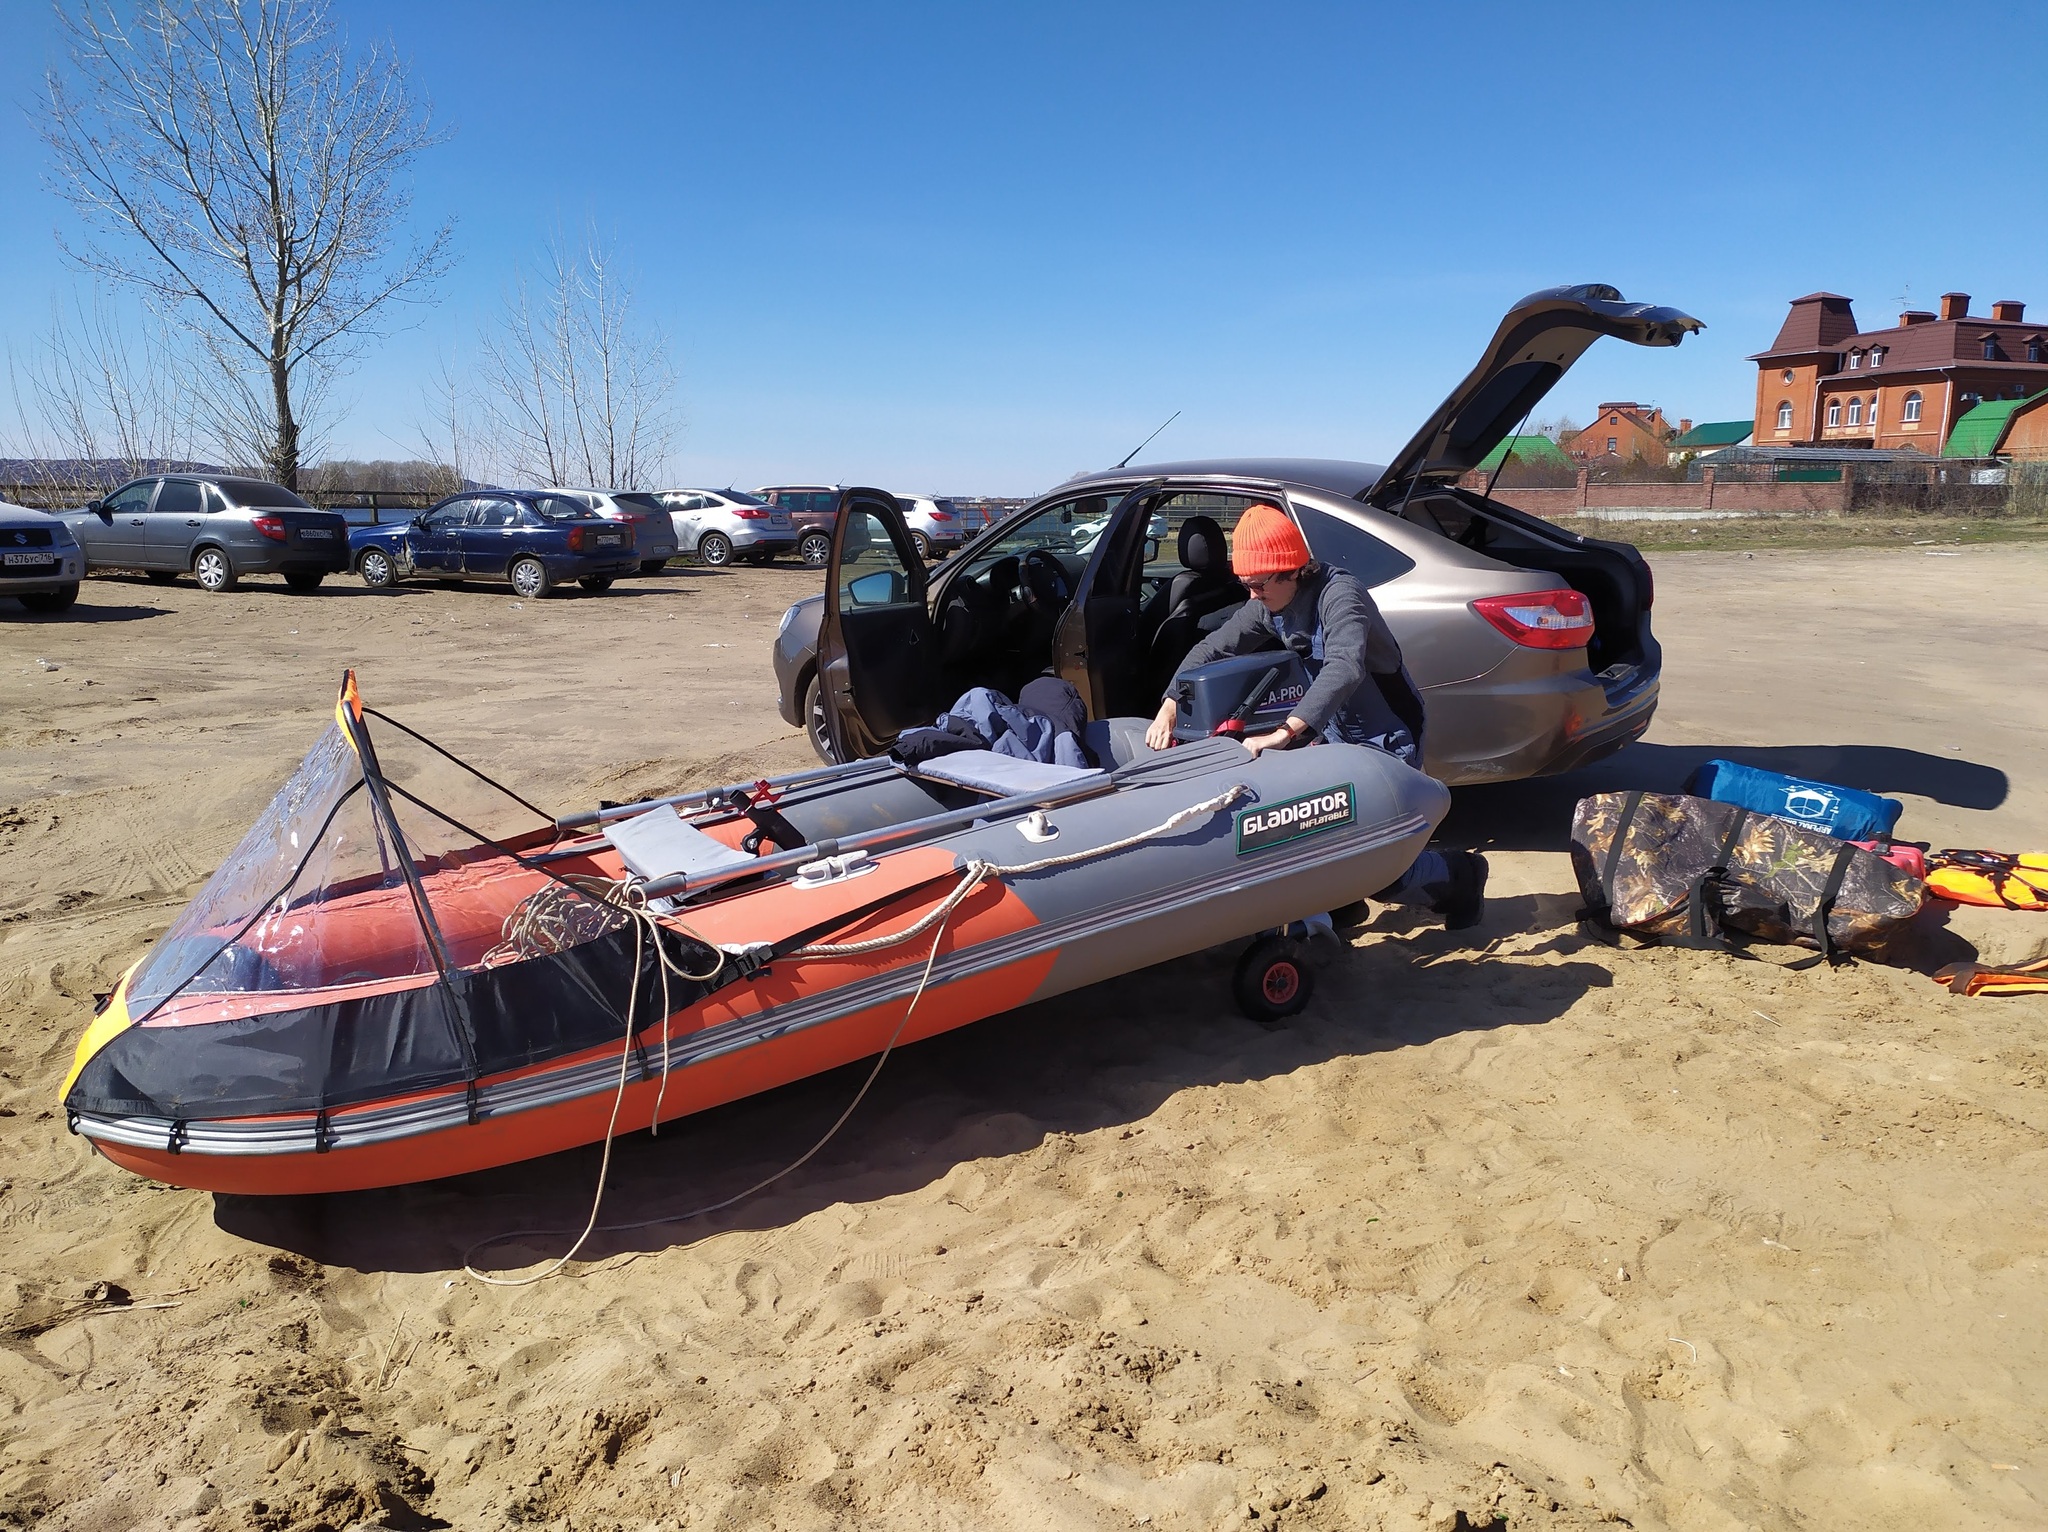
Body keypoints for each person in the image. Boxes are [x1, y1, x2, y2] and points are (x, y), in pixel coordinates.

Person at [1144, 503, 1488, 929]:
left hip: (1386, 731)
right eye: (1245, 584)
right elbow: (1214, 648)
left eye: (1258, 584)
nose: (1252, 595)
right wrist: (1172, 702)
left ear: (1289, 570)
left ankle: (1461, 875)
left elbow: (1344, 666)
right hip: (1333, 727)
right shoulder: (1267, 600)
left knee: (1380, 863)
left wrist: (1285, 731)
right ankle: (1341, 902)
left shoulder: (1340, 595)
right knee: (1326, 830)